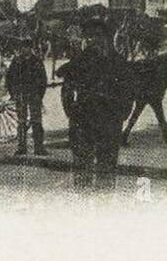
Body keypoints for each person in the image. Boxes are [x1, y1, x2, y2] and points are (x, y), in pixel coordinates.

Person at [55, 18, 136, 189]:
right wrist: (72, 113)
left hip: (110, 122)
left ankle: (104, 208)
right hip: (83, 122)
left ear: (107, 38)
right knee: (82, 170)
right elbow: (66, 89)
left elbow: (129, 91)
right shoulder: (79, 62)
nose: (94, 41)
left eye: (98, 36)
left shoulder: (118, 63)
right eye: (90, 37)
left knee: (106, 169)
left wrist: (122, 114)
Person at [5, 37, 47, 156]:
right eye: (23, 47)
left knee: (36, 121)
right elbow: (9, 79)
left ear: (31, 48)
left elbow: (43, 80)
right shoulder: (17, 61)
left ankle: (39, 147)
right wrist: (13, 94)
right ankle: (22, 147)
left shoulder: (36, 61)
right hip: (21, 94)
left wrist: (40, 95)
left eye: (27, 47)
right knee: (21, 121)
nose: (25, 50)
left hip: (33, 94)